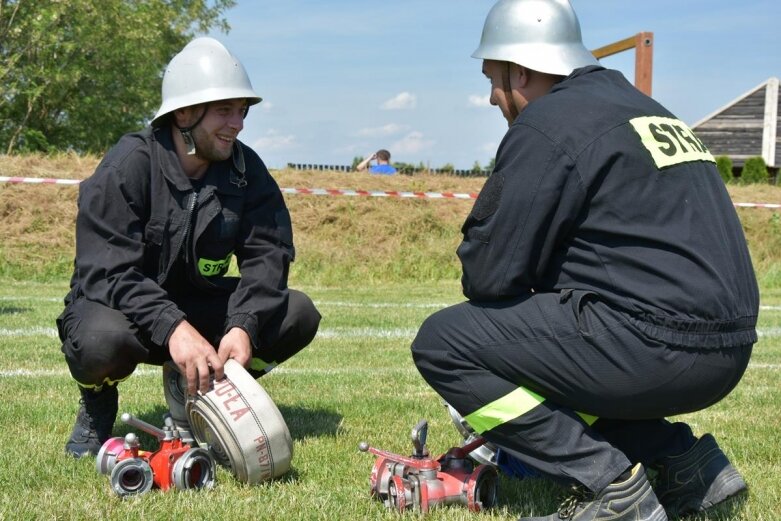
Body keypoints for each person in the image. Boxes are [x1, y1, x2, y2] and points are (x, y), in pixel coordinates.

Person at [410, 1, 758, 520]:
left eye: (492, 78)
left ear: (519, 69)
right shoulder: (648, 110)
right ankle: (684, 462)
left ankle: (612, 485)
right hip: (727, 349)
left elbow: (489, 275)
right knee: (558, 345)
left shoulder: (548, 123)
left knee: (445, 344)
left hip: (656, 342)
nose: (490, 98)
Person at [57, 37, 321, 458]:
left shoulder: (246, 169)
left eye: (242, 111)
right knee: (98, 340)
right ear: (183, 113)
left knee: (297, 313)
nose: (238, 124)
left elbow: (269, 255)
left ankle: (209, 395)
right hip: (130, 311)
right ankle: (97, 405)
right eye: (224, 110)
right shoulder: (129, 165)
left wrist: (243, 324)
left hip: (200, 306)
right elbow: (107, 270)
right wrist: (174, 329)